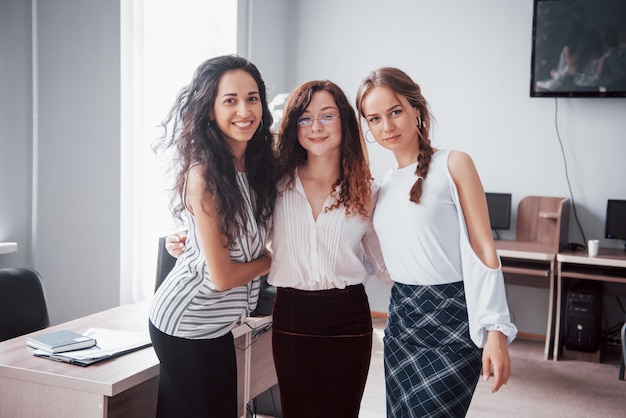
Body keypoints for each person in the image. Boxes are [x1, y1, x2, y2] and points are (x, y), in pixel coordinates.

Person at [355, 67, 518, 418]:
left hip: (454, 319)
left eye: (395, 111)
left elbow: (484, 249)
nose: (387, 126)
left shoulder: (454, 164)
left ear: (416, 108)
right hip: (402, 320)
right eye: (375, 118)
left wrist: (496, 332)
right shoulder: (382, 186)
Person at [149, 54, 277, 418]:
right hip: (186, 323)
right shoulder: (204, 174)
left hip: (216, 325)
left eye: (252, 98)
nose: (244, 109)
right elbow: (222, 278)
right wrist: (273, 258)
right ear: (210, 110)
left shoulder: (256, 167)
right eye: (230, 100)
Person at [269, 80, 390, 417]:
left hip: (348, 317)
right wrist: (190, 239)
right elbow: (245, 237)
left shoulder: (369, 191)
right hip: (292, 314)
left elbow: (386, 266)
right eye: (305, 119)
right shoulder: (275, 185)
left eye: (327, 116)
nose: (316, 127)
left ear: (345, 122)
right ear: (294, 127)